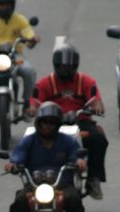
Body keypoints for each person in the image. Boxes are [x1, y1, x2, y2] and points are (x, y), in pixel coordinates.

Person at [6, 101, 87, 212]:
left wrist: (79, 162)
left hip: (61, 185)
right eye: (44, 122)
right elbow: (17, 156)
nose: (47, 126)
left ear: (57, 125)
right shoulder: (29, 141)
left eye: (52, 123)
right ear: (38, 123)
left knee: (74, 201)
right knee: (19, 203)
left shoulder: (67, 141)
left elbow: (77, 155)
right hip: (34, 186)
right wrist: (12, 164)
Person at [27, 44, 108, 199]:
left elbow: (96, 99)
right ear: (56, 65)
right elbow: (34, 101)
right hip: (52, 122)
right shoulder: (45, 83)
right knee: (34, 141)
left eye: (70, 67)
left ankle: (94, 179)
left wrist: (97, 106)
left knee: (98, 138)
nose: (66, 70)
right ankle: (32, 178)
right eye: (63, 67)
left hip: (80, 121)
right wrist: (32, 108)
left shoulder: (86, 81)